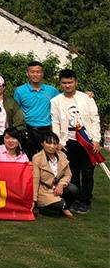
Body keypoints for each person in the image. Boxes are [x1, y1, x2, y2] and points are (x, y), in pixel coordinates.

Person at [50, 68, 101, 214]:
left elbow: (95, 119)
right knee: (72, 172)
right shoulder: (56, 101)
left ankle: (85, 201)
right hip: (68, 140)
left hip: (86, 139)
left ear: (76, 82)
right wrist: (58, 141)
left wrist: (96, 139)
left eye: (70, 82)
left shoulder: (86, 98)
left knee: (87, 172)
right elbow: (55, 122)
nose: (67, 85)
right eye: (64, 83)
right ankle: (75, 199)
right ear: (60, 83)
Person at [13, 60, 59, 158]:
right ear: (27, 73)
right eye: (32, 72)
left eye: (38, 72)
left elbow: (64, 100)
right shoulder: (20, 91)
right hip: (28, 131)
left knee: (48, 159)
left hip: (47, 130)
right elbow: (16, 112)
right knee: (29, 160)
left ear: (42, 73)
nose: (35, 74)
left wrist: (87, 95)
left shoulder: (52, 90)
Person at [32, 132, 78, 218]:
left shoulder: (62, 155)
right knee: (60, 209)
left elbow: (68, 174)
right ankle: (45, 208)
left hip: (59, 187)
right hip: (45, 190)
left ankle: (63, 206)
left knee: (73, 189)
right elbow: (35, 179)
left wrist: (61, 184)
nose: (52, 146)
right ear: (42, 143)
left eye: (55, 143)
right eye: (49, 143)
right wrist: (34, 199)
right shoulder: (37, 158)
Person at [0, 75, 26, 148]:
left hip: (7, 138)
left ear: (3, 87)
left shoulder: (11, 102)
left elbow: (19, 121)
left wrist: (12, 135)